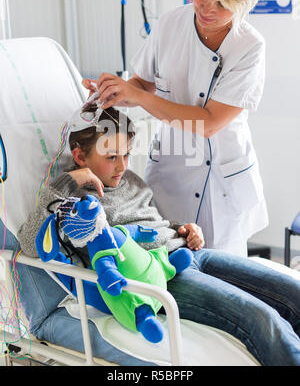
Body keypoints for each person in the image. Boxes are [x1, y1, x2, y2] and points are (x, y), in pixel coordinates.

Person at [16, 103, 300, 366]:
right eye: (112, 156)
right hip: (163, 278)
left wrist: (182, 228)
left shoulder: (130, 180)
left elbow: (152, 224)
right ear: (79, 156)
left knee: (292, 293)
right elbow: (29, 244)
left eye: (126, 154)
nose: (122, 166)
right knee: (264, 320)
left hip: (187, 253)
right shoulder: (72, 202)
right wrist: (67, 182)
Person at [82, 0, 269, 257]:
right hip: (172, 169)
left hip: (221, 183)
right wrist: (115, 91)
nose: (208, 8)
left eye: (223, 4)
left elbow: (209, 124)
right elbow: (143, 83)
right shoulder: (170, 24)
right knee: (167, 260)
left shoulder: (249, 46)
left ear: (242, 3)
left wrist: (136, 94)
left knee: (223, 272)